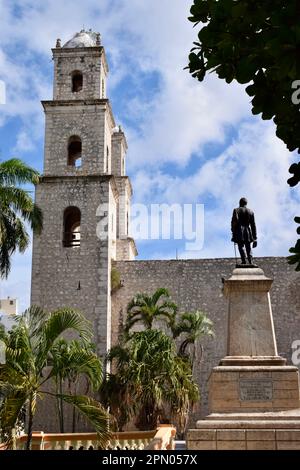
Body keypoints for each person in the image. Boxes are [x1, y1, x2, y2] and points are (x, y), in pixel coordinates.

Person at [231, 197, 257, 266]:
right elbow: (253, 225)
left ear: (240, 203)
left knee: (241, 246)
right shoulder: (251, 211)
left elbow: (234, 222)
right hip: (248, 230)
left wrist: (233, 231)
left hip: (239, 230)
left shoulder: (236, 210)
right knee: (248, 246)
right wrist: (255, 238)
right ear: (246, 203)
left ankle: (244, 260)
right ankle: (250, 261)